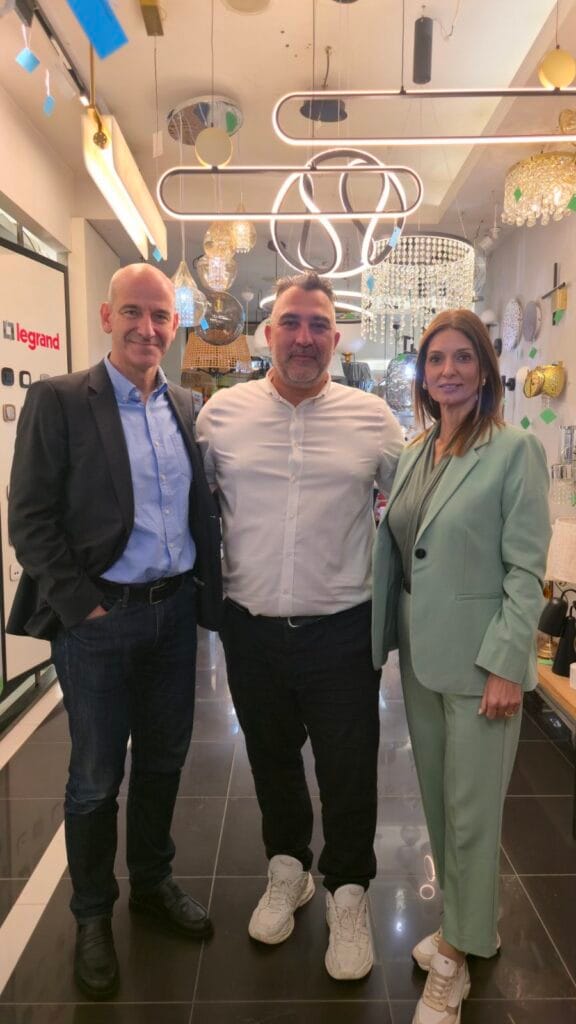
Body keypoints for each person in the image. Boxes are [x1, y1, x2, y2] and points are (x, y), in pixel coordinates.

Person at [7, 264, 222, 1000]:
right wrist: (82, 608)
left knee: (164, 761)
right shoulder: (62, 399)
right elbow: (30, 518)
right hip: (100, 622)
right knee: (96, 778)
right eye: (133, 311)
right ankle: (92, 914)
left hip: (174, 616)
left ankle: (153, 884)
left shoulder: (187, 404)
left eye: (160, 316)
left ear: (175, 324)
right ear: (107, 316)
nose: (147, 328)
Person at [196, 272, 404, 980]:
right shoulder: (220, 416)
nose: (304, 337)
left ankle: (349, 890)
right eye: (292, 322)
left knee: (348, 768)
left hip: (343, 631)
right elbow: (188, 504)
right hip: (250, 629)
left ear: (336, 338)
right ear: (268, 332)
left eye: (318, 325)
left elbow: (420, 504)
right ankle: (289, 868)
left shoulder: (372, 420)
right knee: (271, 758)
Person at [371, 309, 550, 1024]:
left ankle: (454, 960)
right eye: (435, 359)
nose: (447, 370)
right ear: (422, 373)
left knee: (473, 816)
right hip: (423, 656)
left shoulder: (514, 451)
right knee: (442, 807)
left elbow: (526, 570)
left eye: (462, 358)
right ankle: (468, 927)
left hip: (482, 665)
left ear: (485, 371)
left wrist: (507, 664)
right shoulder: (418, 449)